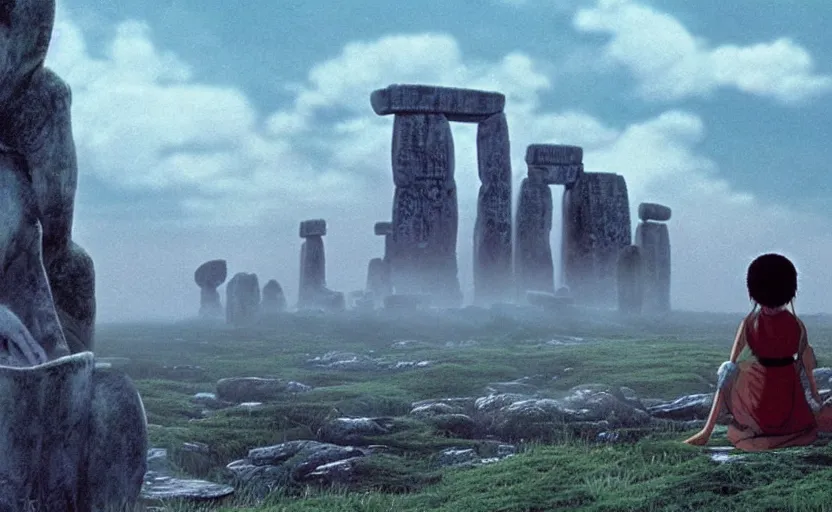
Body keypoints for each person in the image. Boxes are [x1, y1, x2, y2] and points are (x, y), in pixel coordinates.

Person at [684, 253, 832, 451]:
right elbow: (806, 358)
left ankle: (706, 431)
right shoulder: (797, 324)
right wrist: (814, 392)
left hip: (758, 399)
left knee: (727, 370)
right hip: (788, 400)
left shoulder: (749, 323)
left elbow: (732, 362)